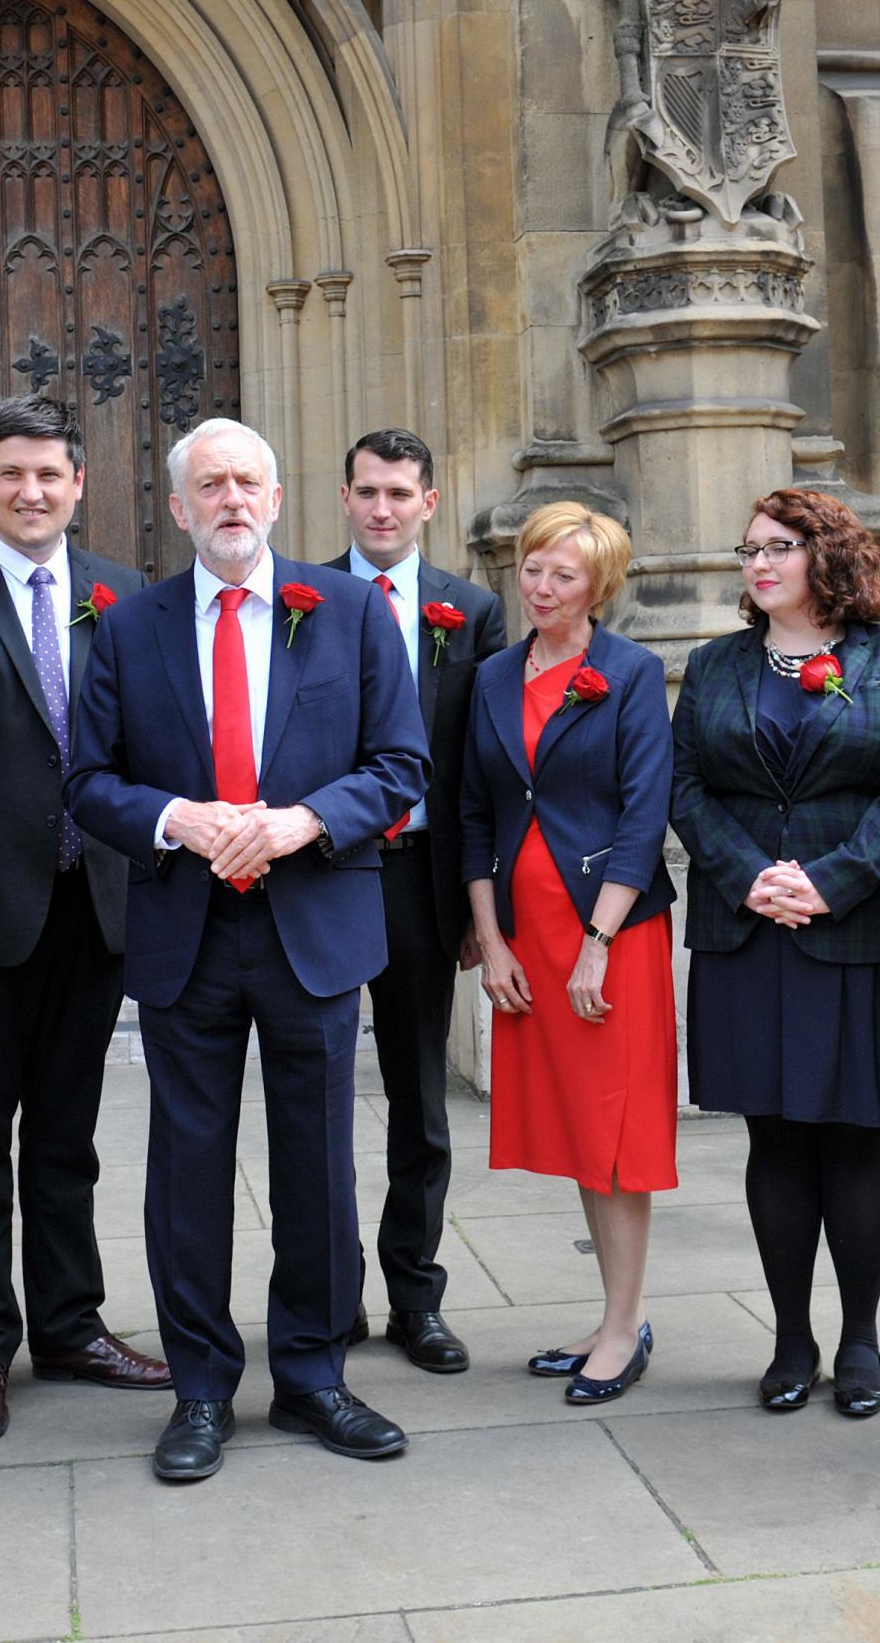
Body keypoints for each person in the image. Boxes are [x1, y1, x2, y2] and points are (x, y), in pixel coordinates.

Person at [66, 417, 429, 1483]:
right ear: (178, 510)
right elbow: (89, 782)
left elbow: (401, 762)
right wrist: (180, 817)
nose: (230, 500)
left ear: (275, 501)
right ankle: (200, 1389)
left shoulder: (353, 612)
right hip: (185, 932)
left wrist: (299, 821)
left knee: (317, 1164)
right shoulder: (128, 630)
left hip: (311, 924)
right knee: (186, 1170)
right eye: (208, 485)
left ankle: (315, 1377)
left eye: (248, 483)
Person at [0, 397, 169, 1440]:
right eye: (11, 474)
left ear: (78, 481)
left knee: (67, 1135)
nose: (30, 491)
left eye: (48, 474)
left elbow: (142, 750)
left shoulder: (122, 593)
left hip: (92, 908)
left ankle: (68, 1325)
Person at [668, 489, 880, 1420]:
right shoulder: (715, 666)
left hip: (863, 926)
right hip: (750, 927)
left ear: (827, 554)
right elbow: (685, 782)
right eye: (747, 548)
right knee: (775, 1134)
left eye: (777, 547)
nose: (757, 563)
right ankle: (792, 1335)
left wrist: (830, 879)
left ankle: (861, 1337)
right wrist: (749, 875)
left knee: (855, 1132)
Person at [460, 502, 677, 1403]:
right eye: (534, 569)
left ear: (600, 586)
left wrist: (599, 940)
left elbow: (644, 812)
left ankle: (624, 1329)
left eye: (565, 575)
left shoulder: (630, 673)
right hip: (527, 938)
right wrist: (491, 935)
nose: (543, 588)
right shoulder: (492, 676)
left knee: (617, 1132)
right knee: (582, 1130)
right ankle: (611, 1313)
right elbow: (476, 811)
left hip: (610, 936)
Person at [327, 427, 507, 1374]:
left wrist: (482, 910)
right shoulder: (296, 596)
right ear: (344, 498)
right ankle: (329, 1291)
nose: (383, 508)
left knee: (418, 1101)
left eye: (400, 492)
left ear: (429, 502)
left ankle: (414, 1295)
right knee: (313, 1099)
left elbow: (485, 770)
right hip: (318, 876)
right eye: (367, 492)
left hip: (419, 879)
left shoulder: (469, 611)